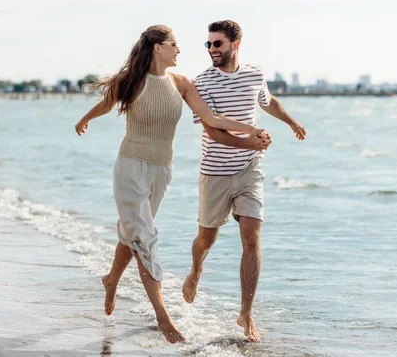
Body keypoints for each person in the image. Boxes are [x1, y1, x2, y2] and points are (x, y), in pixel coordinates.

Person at [74, 25, 270, 344]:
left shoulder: (180, 83)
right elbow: (107, 103)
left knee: (134, 232)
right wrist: (85, 119)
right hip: (130, 167)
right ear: (157, 48)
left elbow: (213, 118)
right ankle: (164, 318)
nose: (180, 50)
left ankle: (111, 279)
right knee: (145, 236)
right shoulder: (131, 81)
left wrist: (250, 130)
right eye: (174, 45)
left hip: (162, 170)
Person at [181, 20, 307, 342]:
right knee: (206, 240)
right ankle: (196, 270)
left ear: (235, 44)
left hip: (250, 169)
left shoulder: (255, 74)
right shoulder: (202, 82)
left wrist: (291, 121)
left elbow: (268, 102)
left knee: (251, 237)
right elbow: (212, 130)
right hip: (215, 172)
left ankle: (246, 312)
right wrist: (249, 141)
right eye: (208, 45)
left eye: (218, 44)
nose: (212, 50)